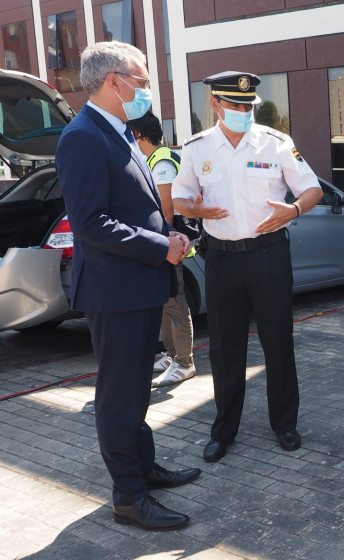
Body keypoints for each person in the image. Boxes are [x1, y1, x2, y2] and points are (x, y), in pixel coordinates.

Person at [54, 41, 199, 532]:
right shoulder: (84, 137)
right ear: (114, 80)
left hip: (137, 289)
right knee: (119, 396)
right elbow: (91, 222)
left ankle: (144, 469)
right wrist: (160, 248)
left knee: (136, 391)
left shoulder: (116, 131)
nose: (146, 89)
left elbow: (136, 209)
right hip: (115, 294)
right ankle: (129, 498)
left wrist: (170, 235)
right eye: (141, 79)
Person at [171, 71, 323, 463]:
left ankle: (285, 424)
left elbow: (312, 189)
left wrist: (292, 209)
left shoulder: (276, 143)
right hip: (221, 258)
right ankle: (224, 431)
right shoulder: (197, 148)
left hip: (268, 255)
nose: (244, 111)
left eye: (249, 106)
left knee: (278, 342)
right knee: (225, 349)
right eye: (236, 105)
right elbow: (180, 198)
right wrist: (194, 209)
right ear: (216, 105)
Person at [128, 112, 197, 387]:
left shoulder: (162, 163)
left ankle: (184, 362)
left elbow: (166, 211)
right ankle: (171, 356)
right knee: (166, 301)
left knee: (175, 302)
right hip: (162, 244)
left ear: (137, 135)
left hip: (168, 244)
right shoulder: (153, 160)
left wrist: (160, 246)